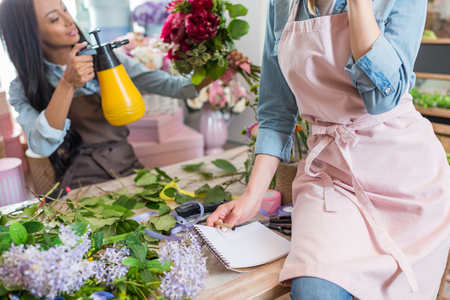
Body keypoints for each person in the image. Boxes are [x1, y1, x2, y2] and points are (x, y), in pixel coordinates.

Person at [207, 0, 450, 299]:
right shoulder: (282, 4)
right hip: (331, 180)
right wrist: (251, 197)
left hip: (406, 178)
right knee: (314, 289)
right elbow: (276, 112)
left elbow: (381, 99)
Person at [0, 0, 246, 189]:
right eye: (55, 19)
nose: (68, 20)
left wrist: (219, 69)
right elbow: (41, 146)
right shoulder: (22, 87)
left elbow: (176, 88)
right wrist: (67, 84)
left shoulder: (109, 61)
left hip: (129, 170)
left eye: (65, 8)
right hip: (78, 183)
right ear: (29, 34)